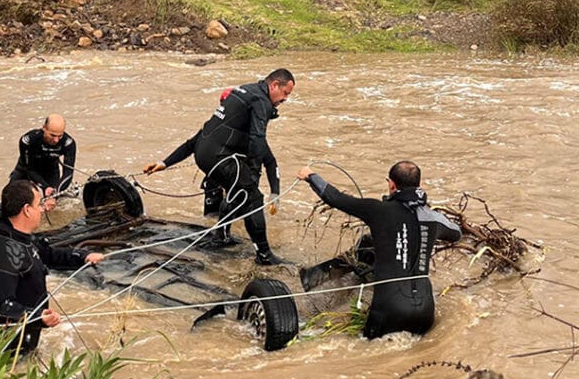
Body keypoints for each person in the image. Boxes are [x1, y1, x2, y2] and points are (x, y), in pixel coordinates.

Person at [143, 69, 295, 265]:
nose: (285, 99)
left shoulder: (242, 96)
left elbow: (199, 138)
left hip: (206, 154)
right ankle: (264, 256)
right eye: (285, 93)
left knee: (237, 190)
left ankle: (221, 236)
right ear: (274, 85)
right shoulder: (260, 101)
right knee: (252, 196)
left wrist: (163, 163)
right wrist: (252, 179)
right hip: (219, 158)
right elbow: (259, 139)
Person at [297, 161, 462, 339]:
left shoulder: (378, 210)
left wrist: (310, 176)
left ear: (391, 184)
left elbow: (336, 198)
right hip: (425, 311)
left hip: (389, 310)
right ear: (419, 186)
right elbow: (456, 233)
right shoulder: (433, 218)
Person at [0, 180, 104, 354]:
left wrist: (83, 257)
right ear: (27, 210)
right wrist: (38, 318)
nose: (43, 209)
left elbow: (49, 255)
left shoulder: (20, 236)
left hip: (27, 334)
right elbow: (2, 306)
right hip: (7, 345)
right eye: (39, 204)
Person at [9, 114, 77, 212]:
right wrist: (44, 187)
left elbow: (68, 173)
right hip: (27, 167)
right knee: (12, 198)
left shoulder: (68, 143)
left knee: (52, 206)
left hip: (51, 170)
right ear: (44, 128)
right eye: (52, 135)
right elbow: (29, 169)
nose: (56, 140)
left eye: (60, 136)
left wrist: (54, 194)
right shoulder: (28, 140)